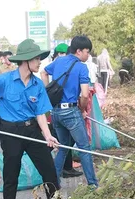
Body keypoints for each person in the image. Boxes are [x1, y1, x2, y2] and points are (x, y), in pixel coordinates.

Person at [0, 39, 62, 199]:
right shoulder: (4, 80)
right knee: (11, 175)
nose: (39, 62)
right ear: (26, 60)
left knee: (50, 173)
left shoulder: (37, 85)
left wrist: (47, 135)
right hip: (10, 132)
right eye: (36, 59)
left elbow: (40, 113)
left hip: (32, 131)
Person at [41, 35, 98, 187]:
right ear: (79, 51)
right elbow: (85, 94)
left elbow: (43, 73)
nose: (88, 55)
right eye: (87, 51)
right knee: (84, 149)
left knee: (63, 148)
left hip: (56, 113)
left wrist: (47, 92)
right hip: (71, 113)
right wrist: (82, 109)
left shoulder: (58, 61)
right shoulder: (81, 67)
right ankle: (93, 185)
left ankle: (53, 183)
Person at [42, 43, 83, 178]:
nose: (64, 56)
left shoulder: (60, 64)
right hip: (65, 110)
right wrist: (47, 89)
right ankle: (61, 169)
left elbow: (44, 72)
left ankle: (62, 170)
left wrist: (47, 89)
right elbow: (84, 94)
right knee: (66, 143)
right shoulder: (61, 63)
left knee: (64, 143)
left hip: (56, 110)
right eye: (61, 53)